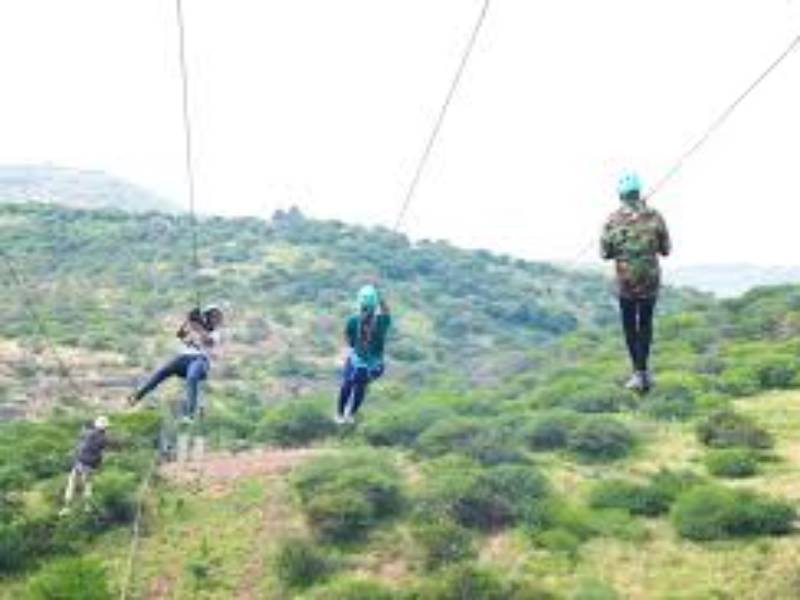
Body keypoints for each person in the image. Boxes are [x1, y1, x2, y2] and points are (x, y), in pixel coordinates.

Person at [601, 171, 671, 393]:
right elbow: (666, 250)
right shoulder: (656, 216)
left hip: (626, 281)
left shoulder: (612, 220)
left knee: (630, 325)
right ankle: (644, 372)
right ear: (639, 192)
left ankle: (638, 372)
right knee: (646, 323)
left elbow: (605, 253)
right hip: (650, 279)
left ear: (621, 195)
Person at [128, 305, 224, 421]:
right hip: (183, 359)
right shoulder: (194, 327)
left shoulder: (215, 333)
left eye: (217, 318)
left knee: (192, 377)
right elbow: (180, 334)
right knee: (161, 372)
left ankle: (190, 414)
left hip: (200, 361)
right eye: (213, 317)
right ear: (207, 317)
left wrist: (197, 327)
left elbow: (208, 341)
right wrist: (189, 320)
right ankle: (137, 396)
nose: (215, 320)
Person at [336, 285, 391, 424]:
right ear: (374, 306)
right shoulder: (382, 322)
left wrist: (355, 345)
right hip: (375, 366)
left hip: (359, 362)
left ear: (360, 305)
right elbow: (386, 311)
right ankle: (350, 414)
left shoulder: (353, 321)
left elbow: (348, 340)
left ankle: (341, 414)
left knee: (348, 384)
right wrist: (379, 297)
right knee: (359, 386)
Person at [60, 416, 109, 516]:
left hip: (80, 462)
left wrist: (74, 455)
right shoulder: (104, 439)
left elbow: (81, 446)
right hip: (92, 466)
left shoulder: (88, 434)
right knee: (88, 485)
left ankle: (67, 507)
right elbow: (101, 453)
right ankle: (87, 506)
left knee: (72, 483)